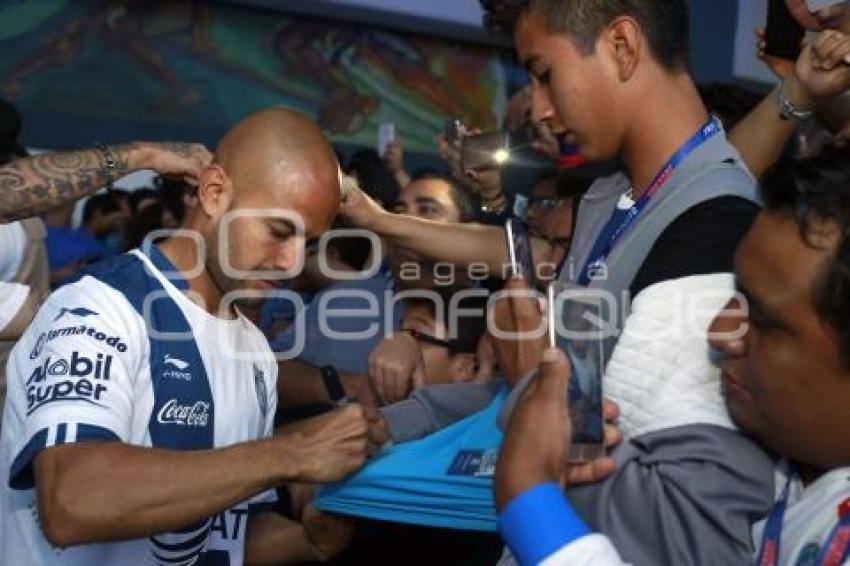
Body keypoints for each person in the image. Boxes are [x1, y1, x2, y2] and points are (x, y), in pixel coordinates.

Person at [0, 108, 369, 565]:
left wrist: (309, 541)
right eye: (278, 231)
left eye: (308, 244)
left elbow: (224, 534)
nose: (293, 262)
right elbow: (73, 500)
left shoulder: (254, 351)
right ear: (214, 193)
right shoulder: (100, 307)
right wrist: (293, 452)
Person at [494, 152, 850, 566]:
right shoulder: (793, 459)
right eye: (735, 294)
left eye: (764, 320)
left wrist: (531, 507)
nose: (719, 331)